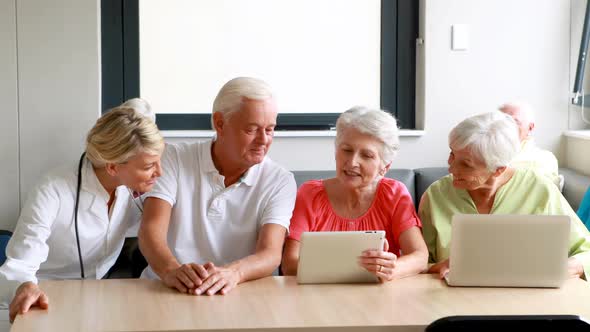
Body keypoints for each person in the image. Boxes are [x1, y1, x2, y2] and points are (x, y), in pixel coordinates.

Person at [0, 101, 164, 322]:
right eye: (148, 167)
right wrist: (25, 286)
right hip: (46, 293)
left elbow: (141, 108)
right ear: (113, 167)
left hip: (103, 293)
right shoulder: (53, 190)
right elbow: (21, 263)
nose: (159, 172)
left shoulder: (135, 188)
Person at [139, 77, 297, 296]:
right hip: (166, 289)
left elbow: (270, 254)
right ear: (220, 123)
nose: (263, 140)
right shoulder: (173, 158)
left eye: (269, 130)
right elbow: (150, 231)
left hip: (238, 292)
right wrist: (170, 270)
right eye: (252, 129)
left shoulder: (280, 180)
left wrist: (232, 273)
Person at [419, 112, 590, 279]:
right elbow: (418, 264)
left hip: (529, 299)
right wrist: (436, 267)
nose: (451, 168)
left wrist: (563, 268)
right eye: (452, 155)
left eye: (466, 164)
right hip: (452, 300)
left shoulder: (540, 190)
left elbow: (586, 252)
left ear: (498, 169)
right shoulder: (436, 195)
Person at [281, 107, 428, 281]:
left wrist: (391, 269)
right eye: (347, 150)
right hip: (319, 298)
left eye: (366, 155)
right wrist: (349, 269)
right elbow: (289, 264)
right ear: (336, 151)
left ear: (385, 167)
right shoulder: (310, 194)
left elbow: (420, 257)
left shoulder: (394, 194)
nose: (352, 162)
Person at [498, 102, 560, 187]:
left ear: (530, 127)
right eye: (500, 121)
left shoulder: (545, 159)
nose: (505, 127)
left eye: (514, 121)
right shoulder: (479, 154)